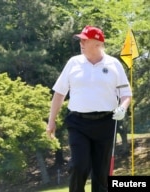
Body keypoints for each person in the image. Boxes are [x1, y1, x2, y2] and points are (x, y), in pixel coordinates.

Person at [46, 25, 132, 192]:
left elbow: (126, 94)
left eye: (85, 40)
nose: (81, 43)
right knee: (79, 166)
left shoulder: (114, 64)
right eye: (81, 40)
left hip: (106, 123)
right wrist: (51, 121)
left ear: (98, 43)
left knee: (101, 174)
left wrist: (122, 107)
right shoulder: (73, 63)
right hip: (78, 123)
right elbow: (59, 94)